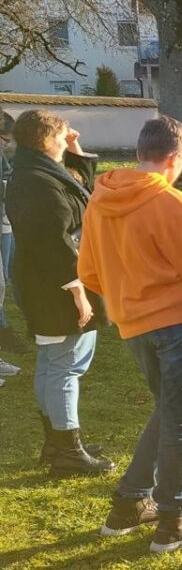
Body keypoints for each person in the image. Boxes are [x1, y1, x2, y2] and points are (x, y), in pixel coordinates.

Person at [79, 116, 182, 552]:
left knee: (168, 411)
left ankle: (129, 502)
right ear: (174, 159)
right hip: (178, 321)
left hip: (131, 321)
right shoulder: (173, 203)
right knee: (181, 419)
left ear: (141, 152)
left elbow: (89, 271)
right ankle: (174, 518)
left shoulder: (99, 199)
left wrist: (129, 293)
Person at [6, 110, 113, 475]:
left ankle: (58, 441)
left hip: (45, 283)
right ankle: (68, 449)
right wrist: (77, 290)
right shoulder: (37, 181)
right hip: (55, 285)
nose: (70, 137)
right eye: (64, 134)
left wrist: (74, 146)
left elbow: (83, 188)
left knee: (54, 364)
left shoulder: (37, 171)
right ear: (47, 139)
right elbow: (52, 241)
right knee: (66, 366)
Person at [0, 109, 27, 356]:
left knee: (9, 277)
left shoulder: (11, 154)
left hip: (7, 221)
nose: (8, 147)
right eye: (6, 140)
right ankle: (5, 332)